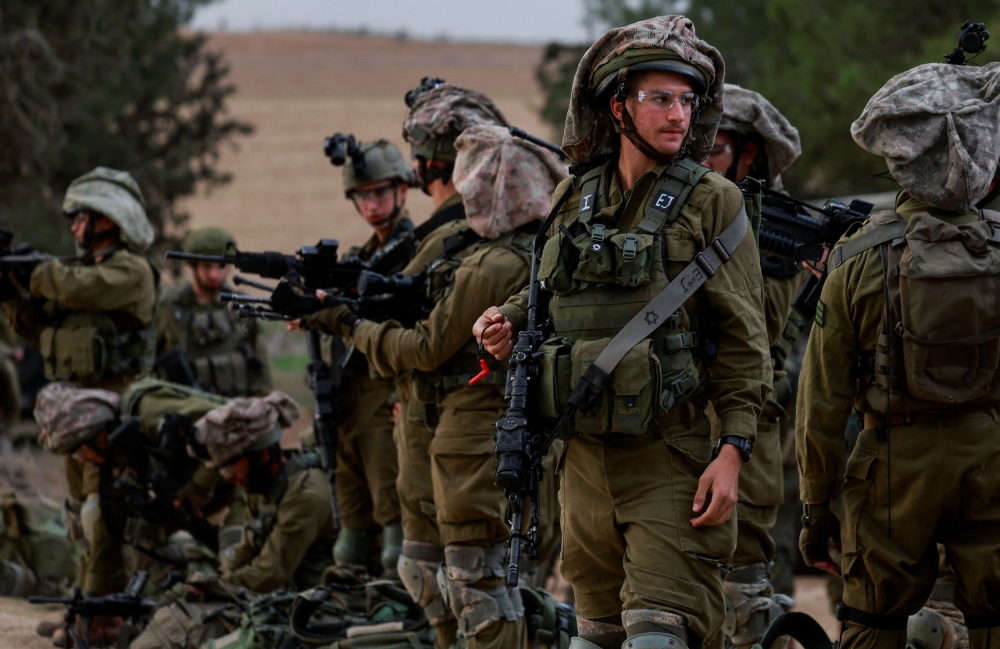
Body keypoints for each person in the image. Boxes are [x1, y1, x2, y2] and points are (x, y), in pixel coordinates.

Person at [474, 15, 771, 649]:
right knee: (594, 639)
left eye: (688, 100)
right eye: (660, 98)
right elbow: (546, 297)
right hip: (581, 465)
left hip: (672, 459)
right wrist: (502, 324)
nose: (679, 116)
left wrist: (732, 452)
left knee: (659, 638)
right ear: (618, 107)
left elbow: (747, 341)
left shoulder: (713, 201)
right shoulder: (573, 197)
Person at [297, 82, 566, 649]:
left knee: (479, 588)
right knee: (434, 578)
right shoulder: (493, 251)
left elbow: (425, 346)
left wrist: (346, 323)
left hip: (473, 433)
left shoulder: (496, 260)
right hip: (442, 430)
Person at [796, 61, 1000, 649]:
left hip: (893, 466)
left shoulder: (857, 259)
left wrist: (815, 508)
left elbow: (822, 403)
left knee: (874, 627)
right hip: (990, 457)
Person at [2, 167, 158, 606]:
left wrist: (31, 268)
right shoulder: (82, 275)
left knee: (104, 517)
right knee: (78, 517)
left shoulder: (128, 272)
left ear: (108, 219)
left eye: (81, 217)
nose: (74, 227)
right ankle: (87, 606)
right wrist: (10, 290)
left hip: (117, 418)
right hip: (79, 418)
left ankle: (109, 614)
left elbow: (74, 287)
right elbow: (43, 329)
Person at [700, 83, 802, 648]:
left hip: (744, 444)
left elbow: (754, 334)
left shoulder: (779, 233)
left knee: (741, 609)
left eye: (714, 149)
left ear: (750, 155)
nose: (702, 162)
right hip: (678, 442)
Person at [327, 138, 413, 577]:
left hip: (387, 397)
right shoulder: (359, 258)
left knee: (394, 531)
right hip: (349, 403)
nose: (372, 204)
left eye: (380, 192)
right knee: (351, 533)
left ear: (402, 190)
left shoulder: (416, 251)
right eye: (363, 196)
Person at [197, 391, 338, 593]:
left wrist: (220, 587)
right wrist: (223, 576)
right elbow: (246, 548)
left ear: (261, 454)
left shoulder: (305, 496)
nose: (227, 477)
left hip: (332, 596)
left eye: (230, 467)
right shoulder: (262, 486)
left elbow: (269, 573)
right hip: (299, 587)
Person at [157, 227, 272, 396]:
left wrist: (265, 403)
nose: (214, 274)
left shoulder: (241, 305)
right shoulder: (169, 308)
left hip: (238, 407)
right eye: (207, 266)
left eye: (221, 266)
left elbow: (261, 360)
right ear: (191, 266)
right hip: (186, 408)